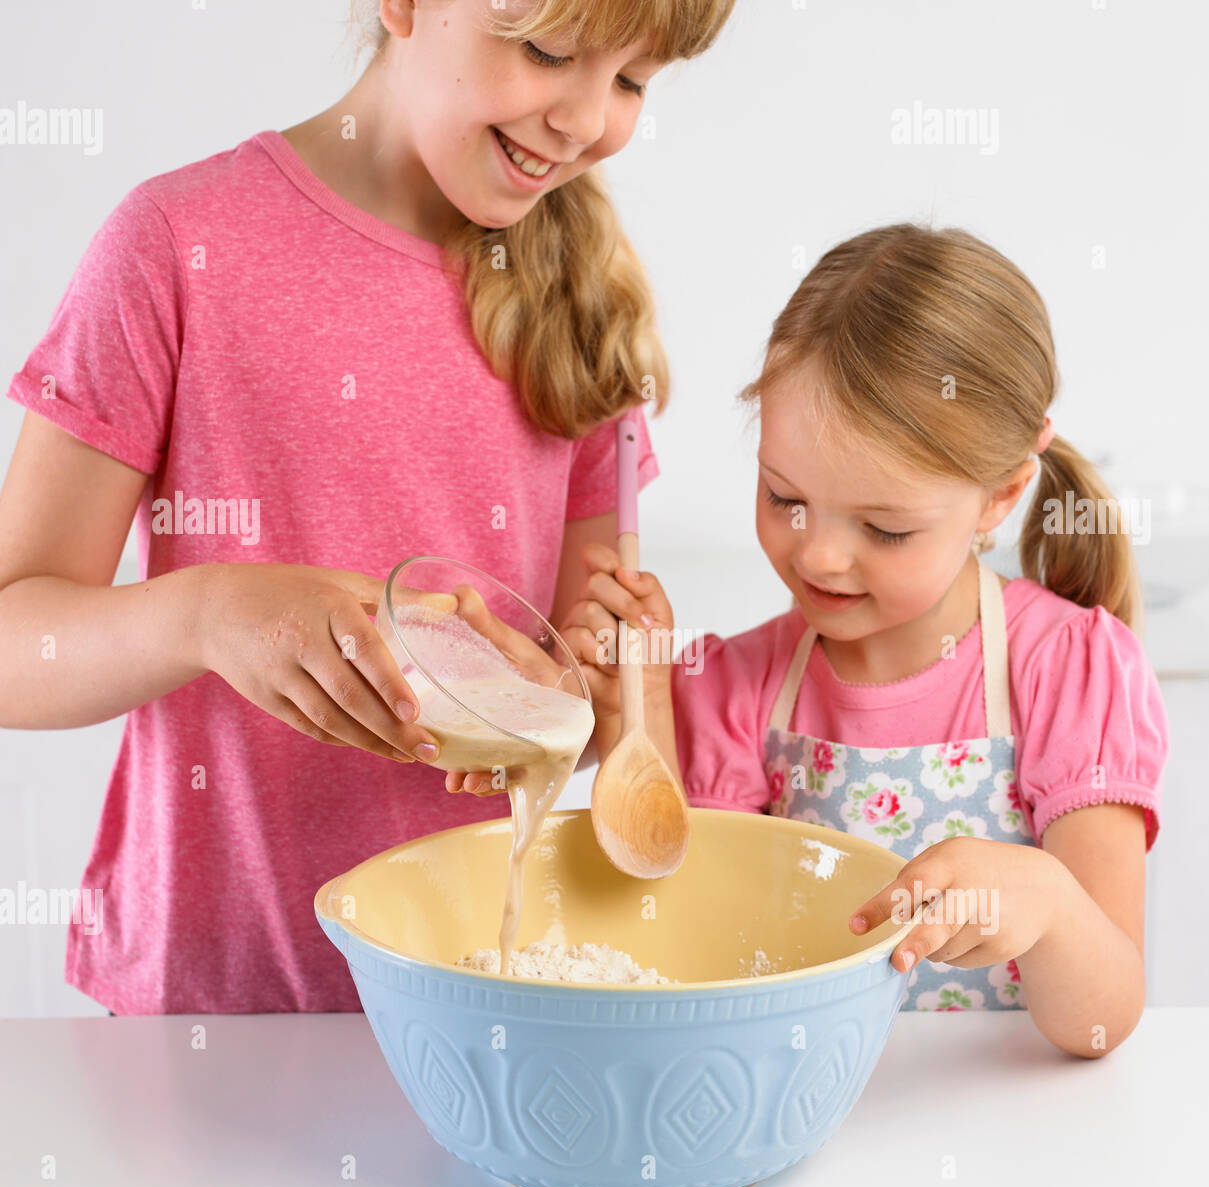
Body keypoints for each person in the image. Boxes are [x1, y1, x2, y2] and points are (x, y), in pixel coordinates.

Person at [0, 0, 737, 1014]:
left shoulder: (587, 304)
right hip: (213, 1010)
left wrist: (614, 693)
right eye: (548, 53)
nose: (581, 120)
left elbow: (578, 702)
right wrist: (207, 612)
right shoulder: (177, 246)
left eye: (630, 82)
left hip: (481, 996)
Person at [563, 223, 1170, 1058]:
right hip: (801, 1125)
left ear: (1001, 497)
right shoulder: (736, 684)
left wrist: (1050, 901)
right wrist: (647, 707)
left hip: (1008, 1139)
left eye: (885, 529)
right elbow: (693, 953)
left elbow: (1101, 1020)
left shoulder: (1065, 667)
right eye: (785, 498)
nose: (818, 555)